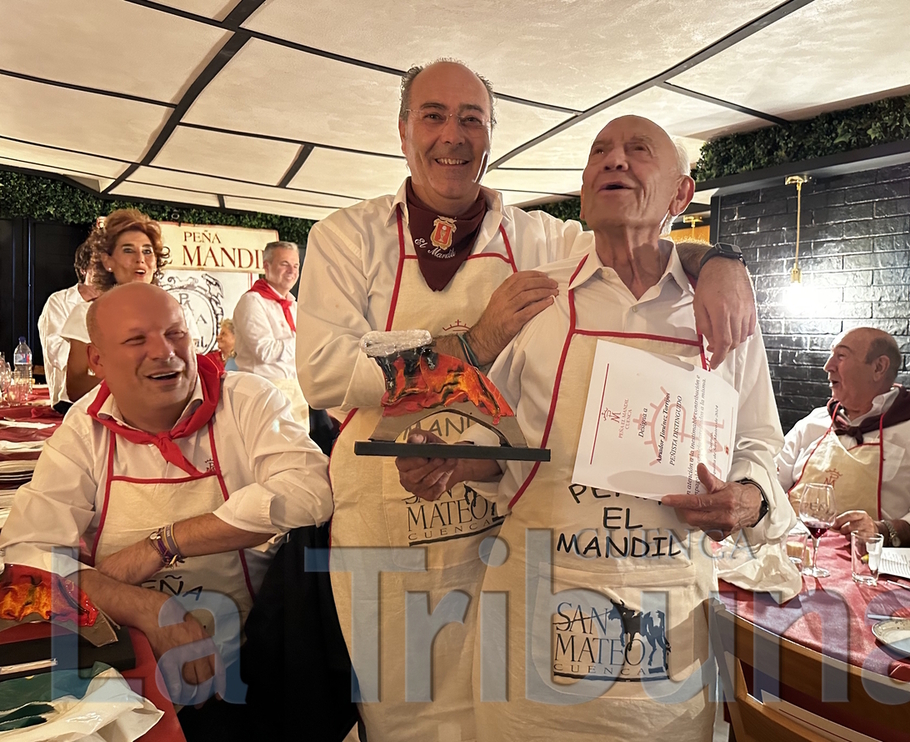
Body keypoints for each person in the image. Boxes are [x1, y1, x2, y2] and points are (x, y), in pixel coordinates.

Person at [297, 61, 759, 741]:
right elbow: (325, 373)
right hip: (388, 534)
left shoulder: (540, 238)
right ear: (402, 130)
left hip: (499, 530)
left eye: (471, 119)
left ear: (491, 137)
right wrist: (472, 343)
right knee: (406, 718)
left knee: (502, 715)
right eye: (433, 115)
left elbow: (635, 239)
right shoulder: (346, 237)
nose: (452, 136)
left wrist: (722, 262)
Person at [395, 115, 793, 742]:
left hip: (668, 619)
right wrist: (448, 460)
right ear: (582, 192)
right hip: (534, 617)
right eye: (599, 152)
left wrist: (749, 497)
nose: (615, 160)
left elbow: (761, 442)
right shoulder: (532, 300)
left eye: (638, 150)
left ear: (680, 195)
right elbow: (507, 446)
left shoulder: (721, 307)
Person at [0, 283, 332, 741]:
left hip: (258, 661)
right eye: (137, 340)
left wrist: (164, 544)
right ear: (96, 361)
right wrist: (149, 609)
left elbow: (312, 489)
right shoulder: (84, 426)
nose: (164, 352)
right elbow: (26, 553)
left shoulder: (247, 399)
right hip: (128, 670)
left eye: (176, 334)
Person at [777, 327, 910, 547]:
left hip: (868, 564)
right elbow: (771, 477)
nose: (828, 366)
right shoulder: (815, 421)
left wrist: (882, 531)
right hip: (790, 550)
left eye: (841, 356)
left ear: (878, 367)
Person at [61, 209, 172, 402]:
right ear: (108, 261)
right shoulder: (86, 313)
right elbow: (76, 386)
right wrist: (140, 385)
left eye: (147, 251)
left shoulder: (173, 313)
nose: (140, 259)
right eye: (128, 250)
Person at [232, 241, 308, 427]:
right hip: (265, 389)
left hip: (296, 389)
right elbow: (265, 351)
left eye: (296, 265)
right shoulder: (252, 301)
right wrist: (304, 341)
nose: (292, 271)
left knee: (300, 452)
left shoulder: (293, 304)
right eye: (284, 264)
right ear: (266, 266)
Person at [37, 237, 100, 413]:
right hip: (70, 402)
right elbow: (57, 351)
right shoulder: (58, 302)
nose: (105, 271)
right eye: (97, 265)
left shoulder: (117, 302)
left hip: (112, 398)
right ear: (83, 269)